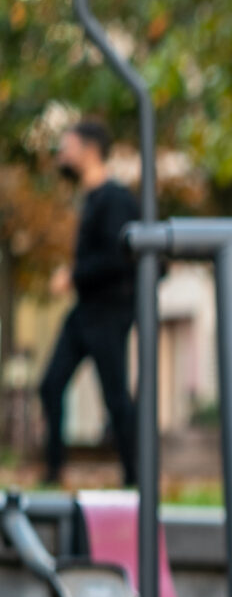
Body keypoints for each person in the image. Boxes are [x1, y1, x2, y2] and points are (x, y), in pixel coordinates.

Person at [38, 117, 139, 485]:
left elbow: (119, 257)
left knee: (114, 397)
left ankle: (134, 476)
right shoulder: (92, 198)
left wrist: (73, 275)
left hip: (109, 311)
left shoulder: (115, 198)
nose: (62, 153)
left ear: (90, 149)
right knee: (50, 385)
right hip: (85, 311)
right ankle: (53, 471)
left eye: (69, 145)